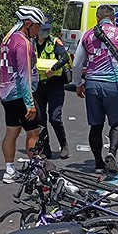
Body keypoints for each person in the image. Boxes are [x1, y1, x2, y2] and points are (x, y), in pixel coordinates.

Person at [71, 4, 118, 174]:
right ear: (114, 19)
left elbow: (77, 65)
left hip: (92, 84)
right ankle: (112, 153)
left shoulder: (88, 35)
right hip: (114, 85)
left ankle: (99, 163)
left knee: (96, 126)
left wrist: (78, 84)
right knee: (116, 124)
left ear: (97, 18)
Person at [0, 5, 48, 184]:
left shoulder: (8, 38)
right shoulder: (23, 42)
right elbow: (24, 74)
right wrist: (30, 103)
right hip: (20, 94)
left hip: (6, 93)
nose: (38, 31)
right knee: (34, 132)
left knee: (11, 131)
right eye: (37, 26)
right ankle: (36, 171)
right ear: (27, 23)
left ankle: (9, 170)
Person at [33, 12, 71, 159]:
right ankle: (45, 148)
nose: (45, 31)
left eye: (47, 28)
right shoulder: (31, 43)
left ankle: (64, 144)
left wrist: (53, 69)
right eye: (43, 28)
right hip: (38, 86)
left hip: (55, 85)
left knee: (55, 118)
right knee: (40, 119)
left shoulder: (55, 42)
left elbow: (64, 57)